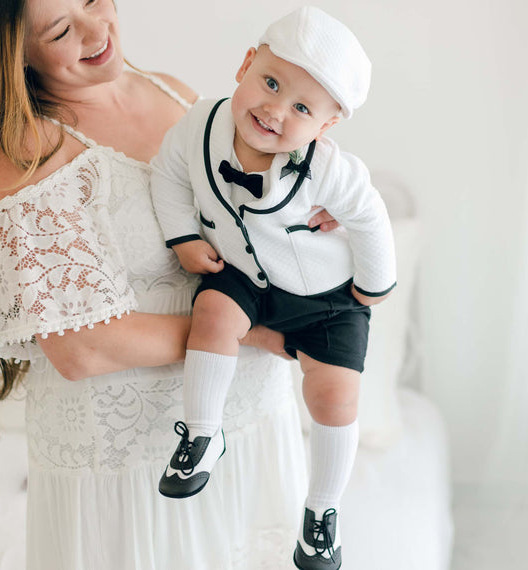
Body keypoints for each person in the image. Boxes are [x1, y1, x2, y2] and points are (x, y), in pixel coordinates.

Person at [0, 1, 340, 568]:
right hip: (134, 464)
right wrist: (254, 334)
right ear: (13, 52)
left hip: (250, 426)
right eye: (62, 30)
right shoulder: (31, 147)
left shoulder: (170, 91)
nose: (98, 30)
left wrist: (318, 210)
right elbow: (79, 346)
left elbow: (255, 210)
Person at [151, 6, 397, 570]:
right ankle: (203, 434)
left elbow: (370, 217)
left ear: (325, 126)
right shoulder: (199, 124)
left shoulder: (329, 168)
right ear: (244, 65)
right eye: (269, 83)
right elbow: (167, 174)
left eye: (302, 108)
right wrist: (184, 238)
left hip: (326, 295)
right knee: (210, 315)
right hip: (243, 274)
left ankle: (321, 515)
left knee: (334, 396)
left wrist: (373, 287)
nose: (274, 110)